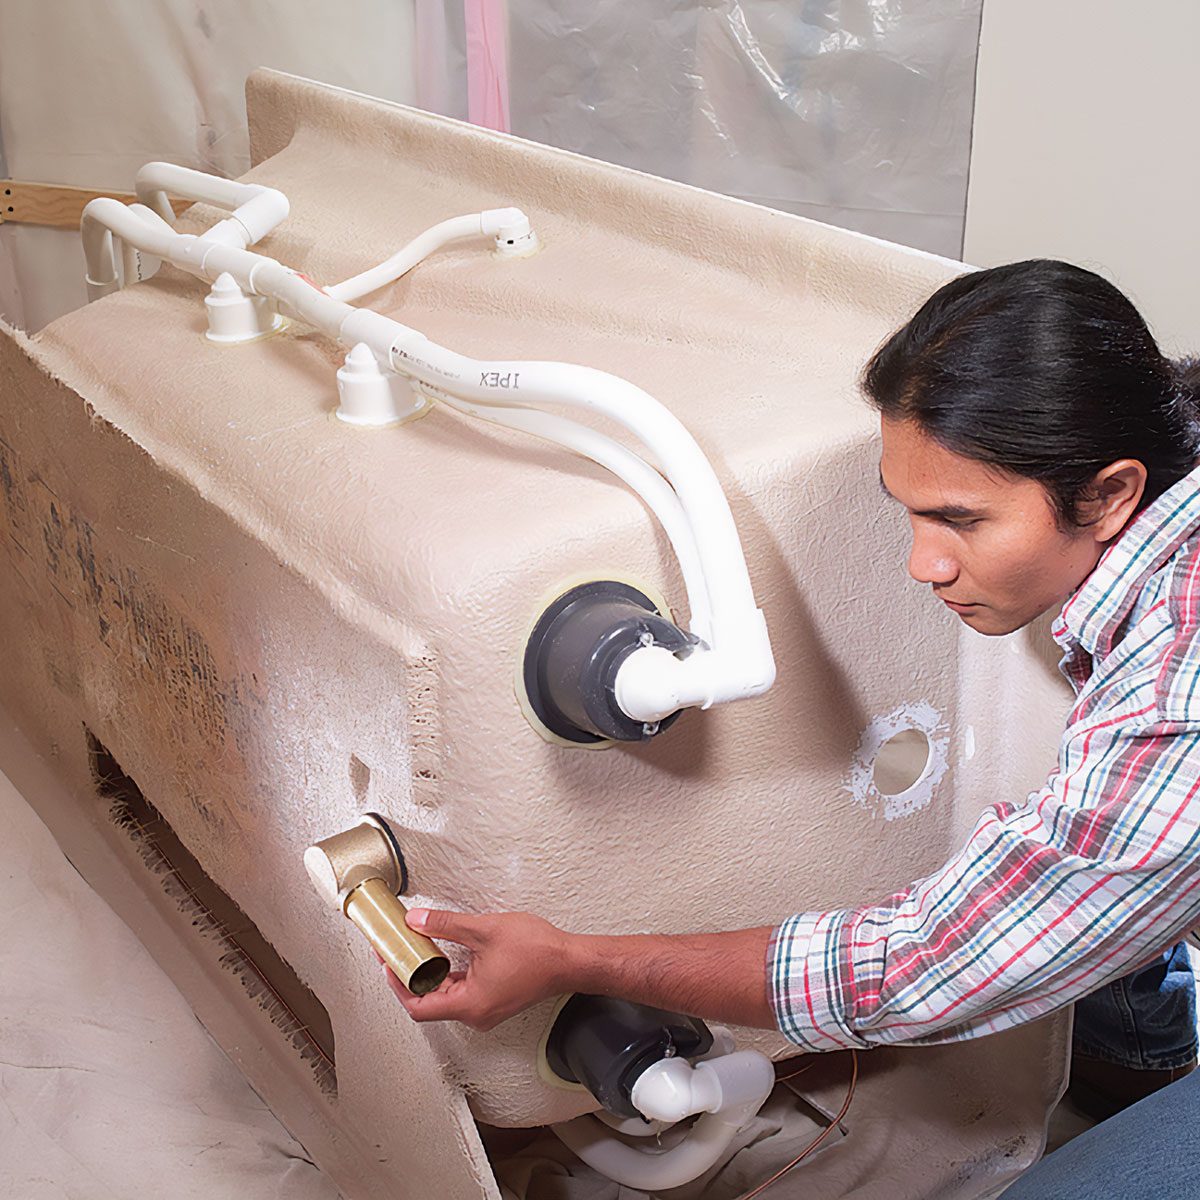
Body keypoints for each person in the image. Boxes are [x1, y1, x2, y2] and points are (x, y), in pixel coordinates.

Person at [385, 260, 1200, 1172]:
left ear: (1113, 492)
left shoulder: (1176, 696)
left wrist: (577, 960)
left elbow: (920, 967)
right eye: (911, 516)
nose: (922, 565)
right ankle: (1147, 1050)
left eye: (961, 521)